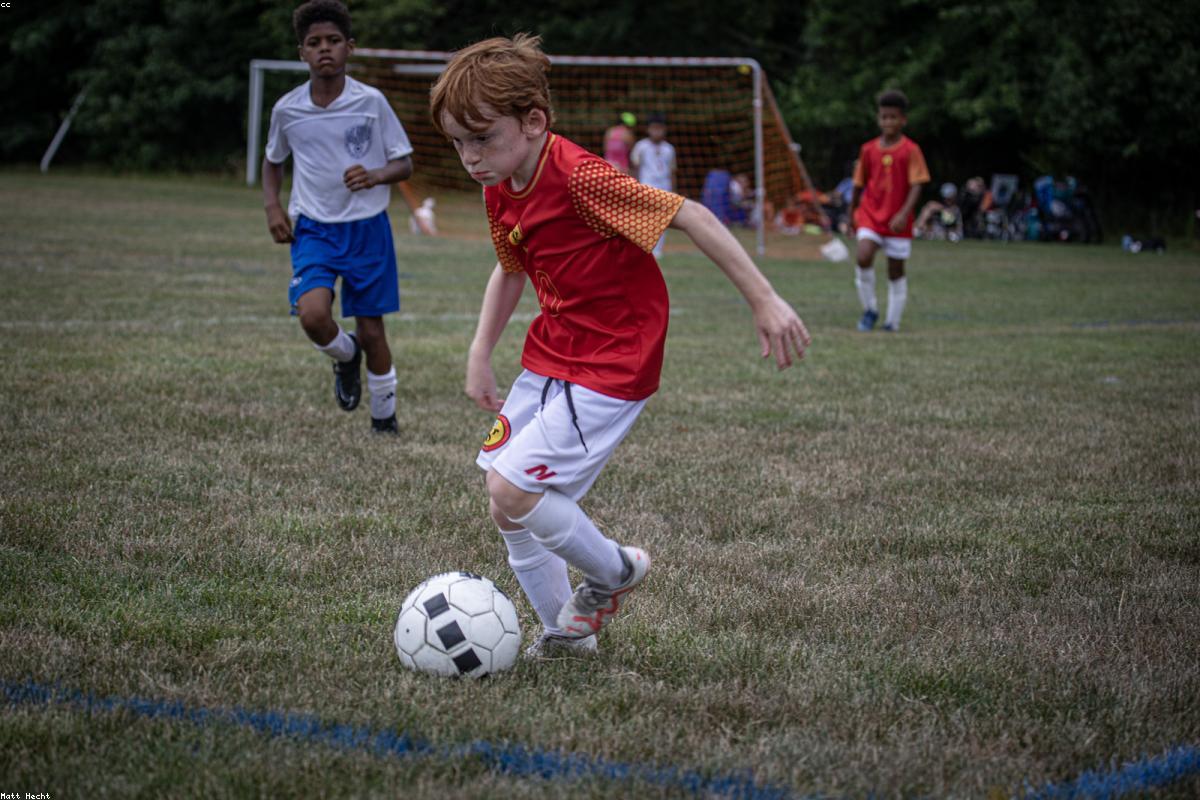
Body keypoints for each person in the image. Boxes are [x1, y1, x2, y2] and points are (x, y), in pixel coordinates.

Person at [429, 34, 810, 658]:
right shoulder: (498, 183)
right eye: (458, 142)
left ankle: (613, 572)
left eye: (482, 138)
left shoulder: (580, 177)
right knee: (506, 508)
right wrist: (479, 350)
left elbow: (692, 215)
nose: (470, 157)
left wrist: (764, 299)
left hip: (614, 357)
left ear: (533, 122)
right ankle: (568, 636)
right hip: (555, 350)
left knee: (512, 492)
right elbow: (511, 267)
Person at [262, 0, 414, 433]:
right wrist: (273, 206)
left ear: (349, 47)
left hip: (368, 230)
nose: (324, 49)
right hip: (313, 227)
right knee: (312, 315)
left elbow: (404, 163)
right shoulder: (288, 109)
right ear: (302, 53)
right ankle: (346, 359)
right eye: (314, 43)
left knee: (372, 331)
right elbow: (273, 160)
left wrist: (375, 174)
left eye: (332, 41)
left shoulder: (371, 102)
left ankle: (384, 419)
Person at [847, 89, 929, 332]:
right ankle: (870, 310)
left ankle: (892, 322)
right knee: (863, 256)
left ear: (903, 119)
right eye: (884, 117)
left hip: (897, 221)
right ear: (878, 118)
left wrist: (904, 213)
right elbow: (858, 183)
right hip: (871, 215)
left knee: (895, 270)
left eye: (893, 117)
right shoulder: (869, 149)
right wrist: (851, 212)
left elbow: (918, 184)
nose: (888, 122)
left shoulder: (911, 150)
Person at [630, 112, 677, 257]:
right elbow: (635, 167)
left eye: (660, 128)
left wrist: (674, 190)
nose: (657, 132)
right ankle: (642, 247)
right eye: (654, 128)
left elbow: (672, 171)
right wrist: (634, 187)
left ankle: (657, 250)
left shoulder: (669, 149)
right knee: (644, 218)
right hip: (646, 185)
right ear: (648, 129)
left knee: (662, 219)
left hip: (664, 186)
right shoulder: (641, 146)